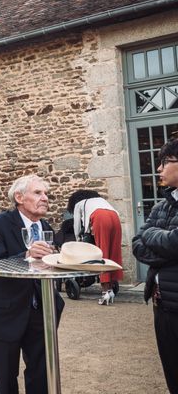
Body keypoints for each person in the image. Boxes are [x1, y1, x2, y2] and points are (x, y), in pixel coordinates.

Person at [0, 175, 62, 394]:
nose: (45, 198)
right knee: (5, 380)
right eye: (38, 193)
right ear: (19, 197)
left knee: (41, 376)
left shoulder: (45, 226)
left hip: (40, 312)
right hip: (5, 312)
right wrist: (26, 254)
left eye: (46, 193)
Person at [132, 139, 178, 394]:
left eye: (165, 162)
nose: (159, 169)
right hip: (162, 305)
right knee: (172, 373)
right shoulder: (161, 205)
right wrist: (162, 242)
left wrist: (155, 237)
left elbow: (174, 242)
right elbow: (137, 243)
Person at [67, 189, 123, 305]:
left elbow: (77, 224)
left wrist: (78, 240)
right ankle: (111, 289)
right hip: (115, 217)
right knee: (114, 252)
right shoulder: (101, 200)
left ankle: (105, 292)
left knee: (103, 253)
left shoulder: (79, 204)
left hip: (100, 217)